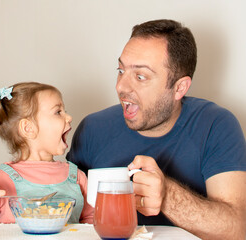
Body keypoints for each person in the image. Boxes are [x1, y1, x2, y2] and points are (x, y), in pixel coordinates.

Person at [66, 19, 246, 239]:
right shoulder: (92, 129)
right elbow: (66, 214)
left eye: (141, 76)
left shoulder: (216, 125)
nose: (121, 86)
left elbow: (237, 229)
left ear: (179, 87)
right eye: (121, 70)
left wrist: (167, 195)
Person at [0, 82, 93, 226]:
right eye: (58, 112)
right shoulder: (1, 181)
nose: (69, 117)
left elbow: (92, 224)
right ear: (28, 128)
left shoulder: (78, 177)